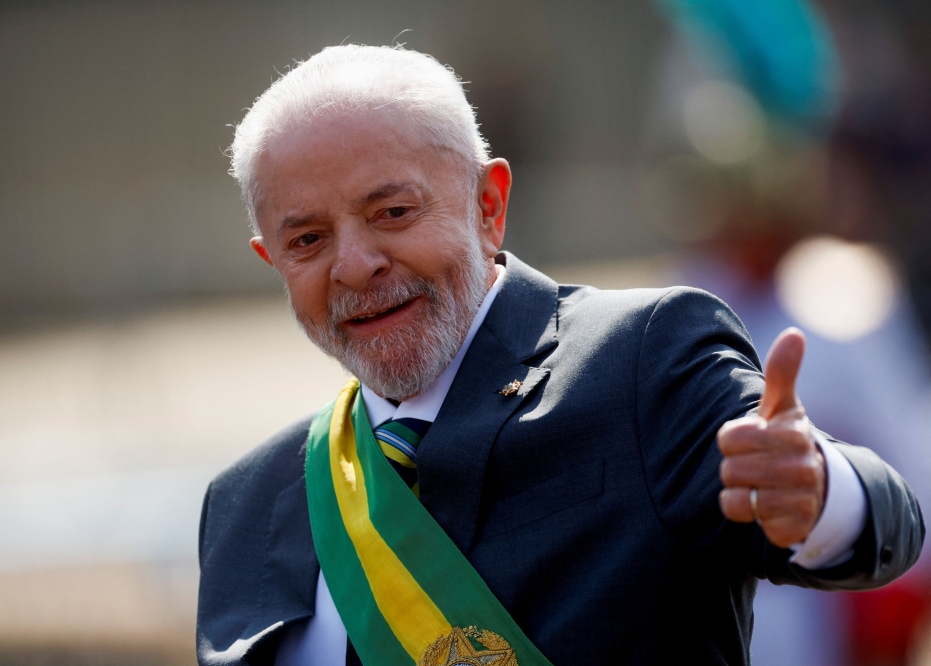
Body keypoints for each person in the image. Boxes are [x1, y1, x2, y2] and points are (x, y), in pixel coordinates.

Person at [196, 45, 924, 666]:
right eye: (308, 240)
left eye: (393, 213)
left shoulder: (642, 361)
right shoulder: (245, 507)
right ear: (272, 262)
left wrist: (823, 491)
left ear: (489, 205)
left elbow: (887, 521)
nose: (355, 265)